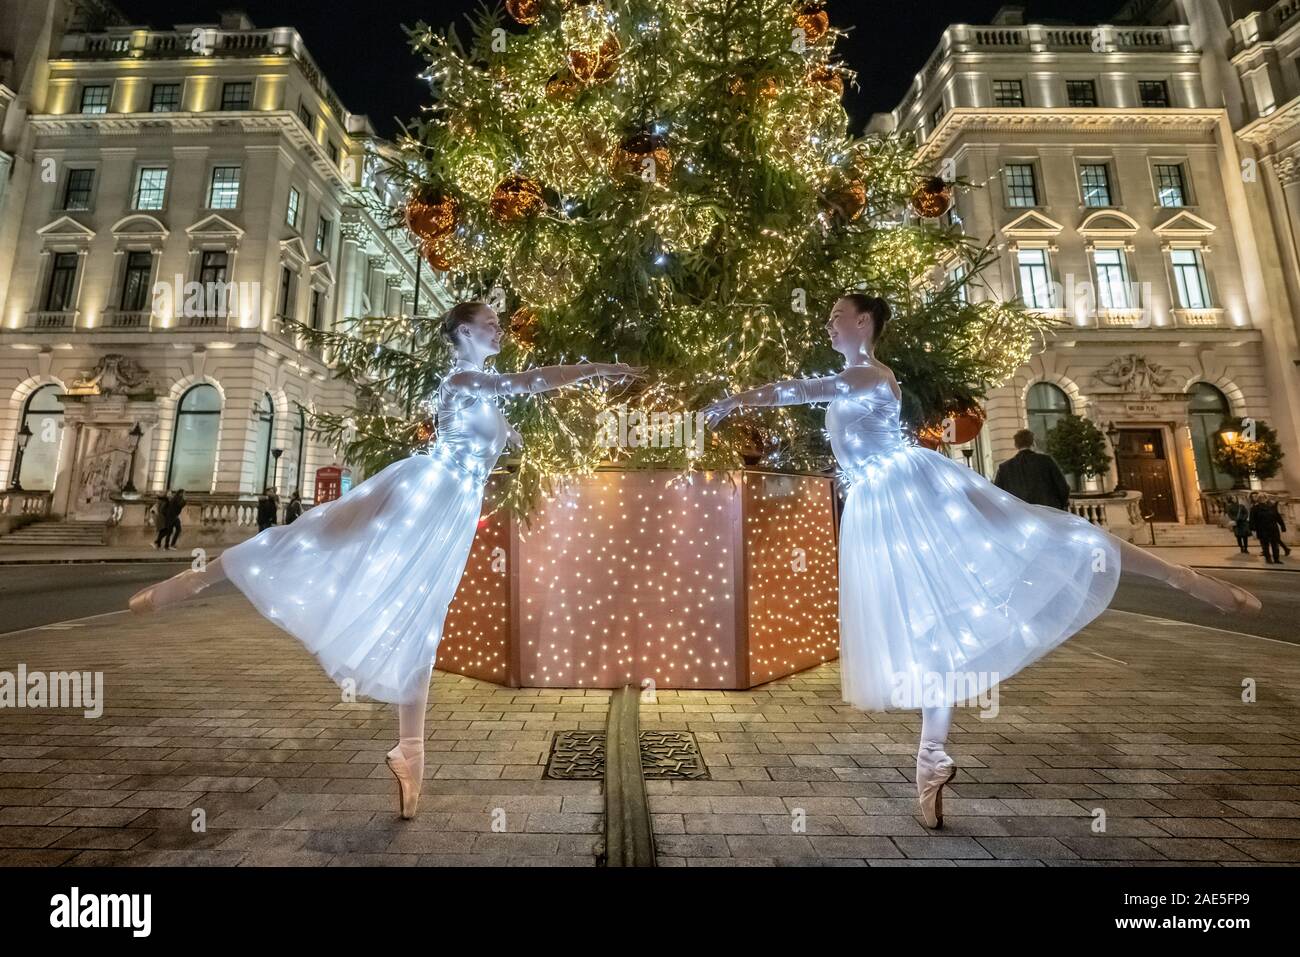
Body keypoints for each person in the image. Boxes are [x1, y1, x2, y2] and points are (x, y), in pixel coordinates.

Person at [704, 292, 1260, 829]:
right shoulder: (857, 381)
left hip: (908, 489)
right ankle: (930, 760)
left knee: (1045, 536)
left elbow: (797, 390)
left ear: (864, 324)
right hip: (877, 503)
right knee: (933, 632)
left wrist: (732, 401)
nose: (828, 324)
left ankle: (1182, 579)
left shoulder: (868, 375)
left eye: (837, 315)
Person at [128, 301, 641, 819]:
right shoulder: (464, 381)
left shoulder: (480, 392)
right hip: (426, 489)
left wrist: (508, 433)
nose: (500, 330)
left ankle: (410, 752)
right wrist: (596, 368)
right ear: (464, 332)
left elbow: (501, 409)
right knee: (313, 537)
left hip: (453, 511)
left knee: (420, 624)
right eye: (490, 325)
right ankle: (200, 578)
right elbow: (529, 381)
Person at [993, 429, 1071, 510]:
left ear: (1016, 445)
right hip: (1048, 512)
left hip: (1020, 514)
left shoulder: (1004, 468)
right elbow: (1063, 487)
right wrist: (1061, 506)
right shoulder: (1046, 461)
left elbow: (997, 494)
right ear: (1033, 443)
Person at [1250, 493, 1287, 564]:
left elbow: (1278, 517)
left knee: (1275, 545)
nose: (1262, 499)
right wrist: (1253, 528)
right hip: (1262, 529)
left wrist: (1282, 526)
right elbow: (1252, 519)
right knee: (1265, 546)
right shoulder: (1255, 508)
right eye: (1260, 498)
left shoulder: (1272, 507)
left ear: (1266, 498)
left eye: (1263, 497)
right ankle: (1268, 559)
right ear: (1258, 499)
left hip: (1273, 528)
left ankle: (1276, 559)